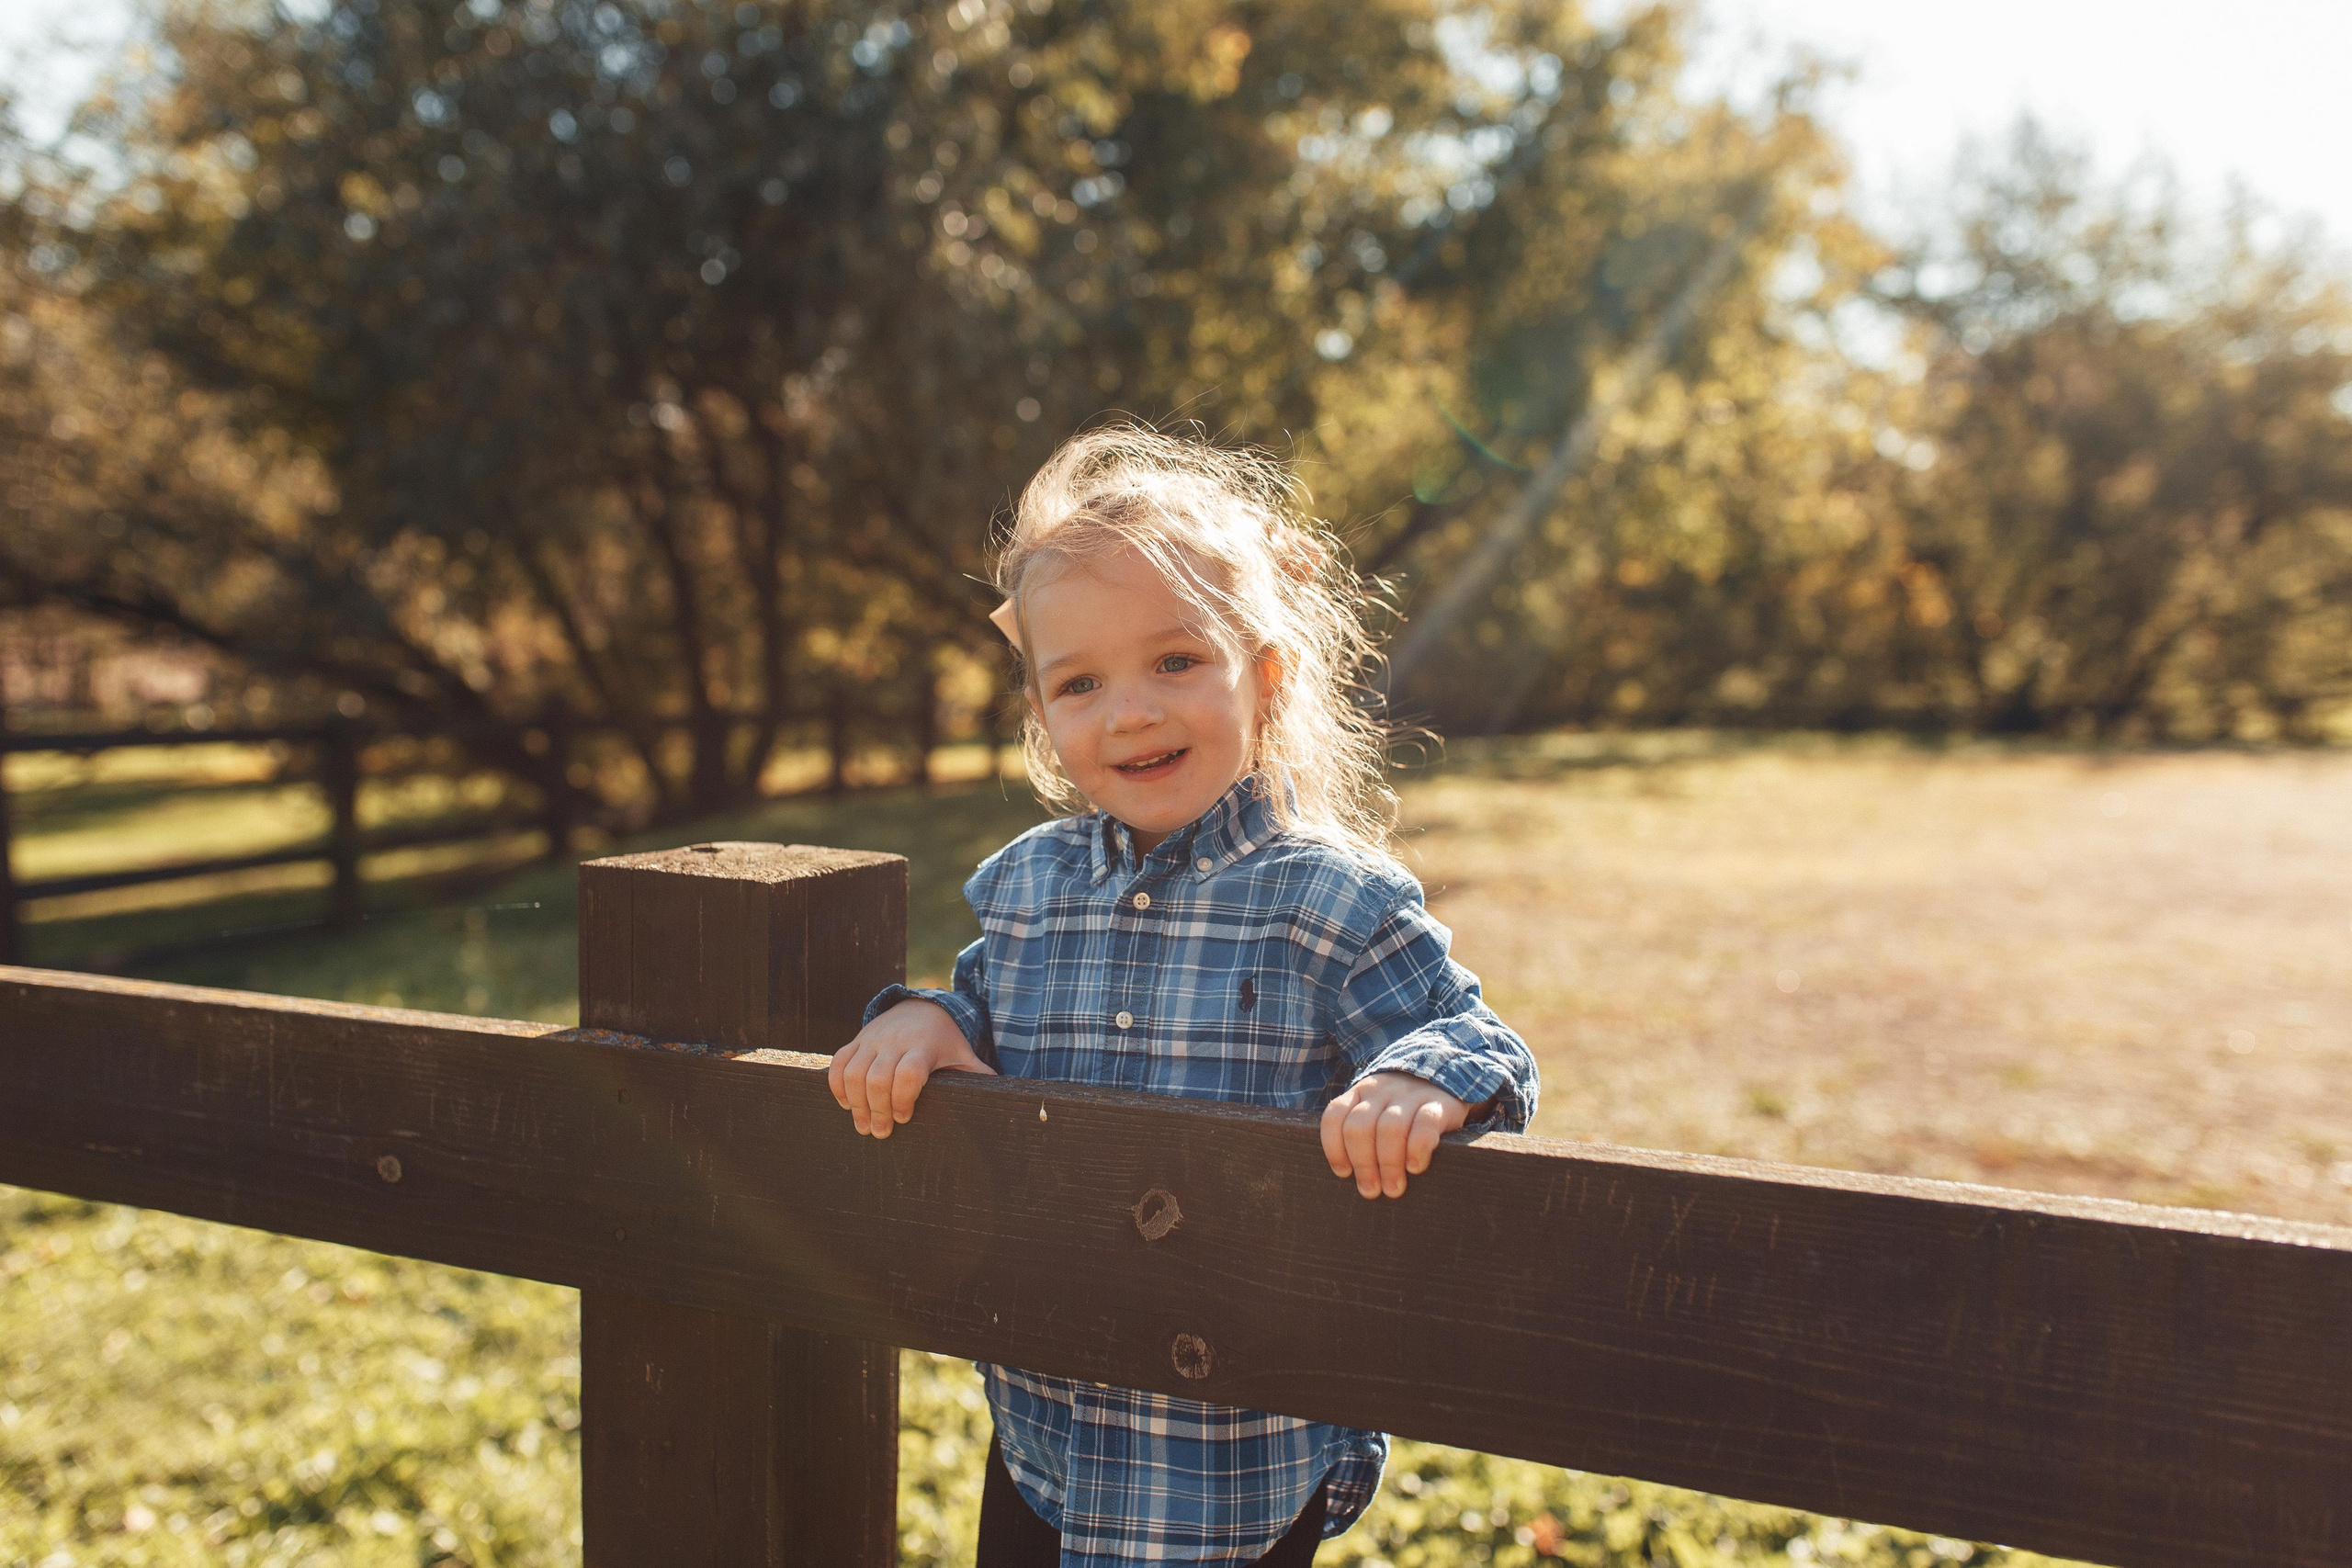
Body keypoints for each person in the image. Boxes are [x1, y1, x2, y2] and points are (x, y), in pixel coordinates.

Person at [827, 422, 1540, 1568]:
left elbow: (1478, 1041)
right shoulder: (1031, 889)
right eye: (1080, 682)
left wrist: (1420, 1077)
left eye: (1175, 661)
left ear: (1264, 676)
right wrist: (926, 1020)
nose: (1130, 711)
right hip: (1046, 1449)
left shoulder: (1329, 900)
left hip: (1235, 1464)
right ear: (1044, 717)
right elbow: (978, 1013)